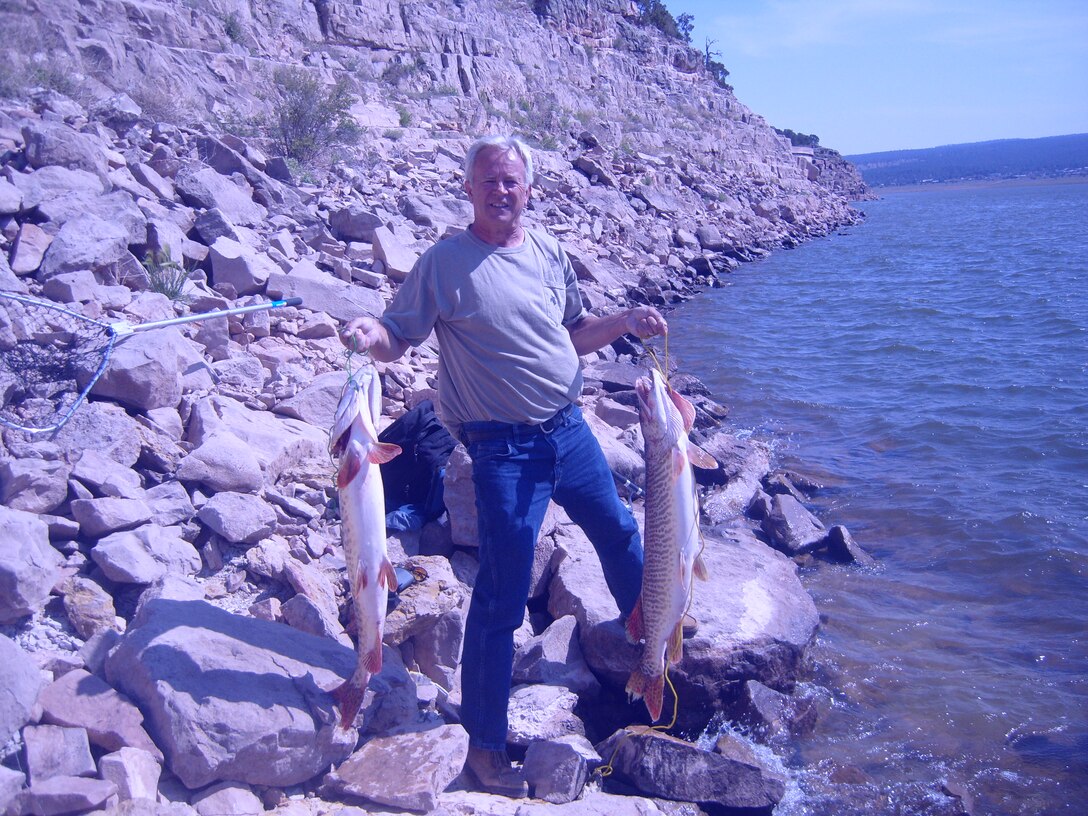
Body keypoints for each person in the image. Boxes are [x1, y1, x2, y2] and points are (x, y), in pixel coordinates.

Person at [341, 135, 668, 798]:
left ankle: (655, 650)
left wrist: (625, 321)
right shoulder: (445, 263)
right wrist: (366, 336)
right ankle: (485, 747)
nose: (501, 191)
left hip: (569, 432)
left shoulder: (548, 250)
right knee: (500, 597)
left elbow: (574, 332)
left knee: (621, 535)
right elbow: (395, 333)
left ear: (528, 189)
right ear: (469, 188)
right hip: (502, 451)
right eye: (489, 181)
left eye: (512, 182)